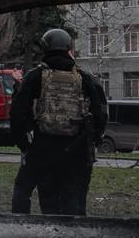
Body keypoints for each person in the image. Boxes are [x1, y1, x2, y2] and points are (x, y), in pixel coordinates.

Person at [10, 28, 108, 215]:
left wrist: (25, 146)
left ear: (45, 48)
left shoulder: (34, 77)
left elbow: (17, 113)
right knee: (75, 206)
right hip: (76, 155)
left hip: (42, 151)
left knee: (30, 194)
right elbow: (100, 115)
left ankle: (21, 233)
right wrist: (90, 143)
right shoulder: (86, 79)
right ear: (69, 48)